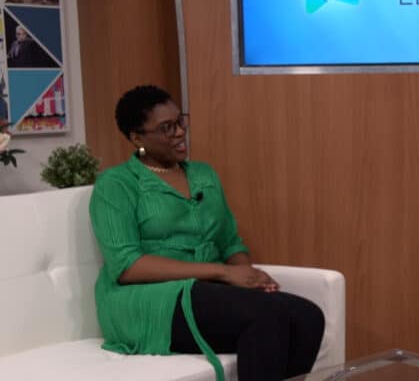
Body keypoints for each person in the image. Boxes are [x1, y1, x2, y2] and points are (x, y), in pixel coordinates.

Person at [90, 85, 325, 381]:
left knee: (308, 317)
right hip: (147, 300)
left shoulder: (203, 174)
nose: (180, 132)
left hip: (207, 291)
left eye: (180, 121)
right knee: (267, 316)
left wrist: (250, 277)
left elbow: (229, 241)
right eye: (167, 128)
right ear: (137, 138)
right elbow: (127, 266)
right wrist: (223, 273)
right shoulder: (115, 184)